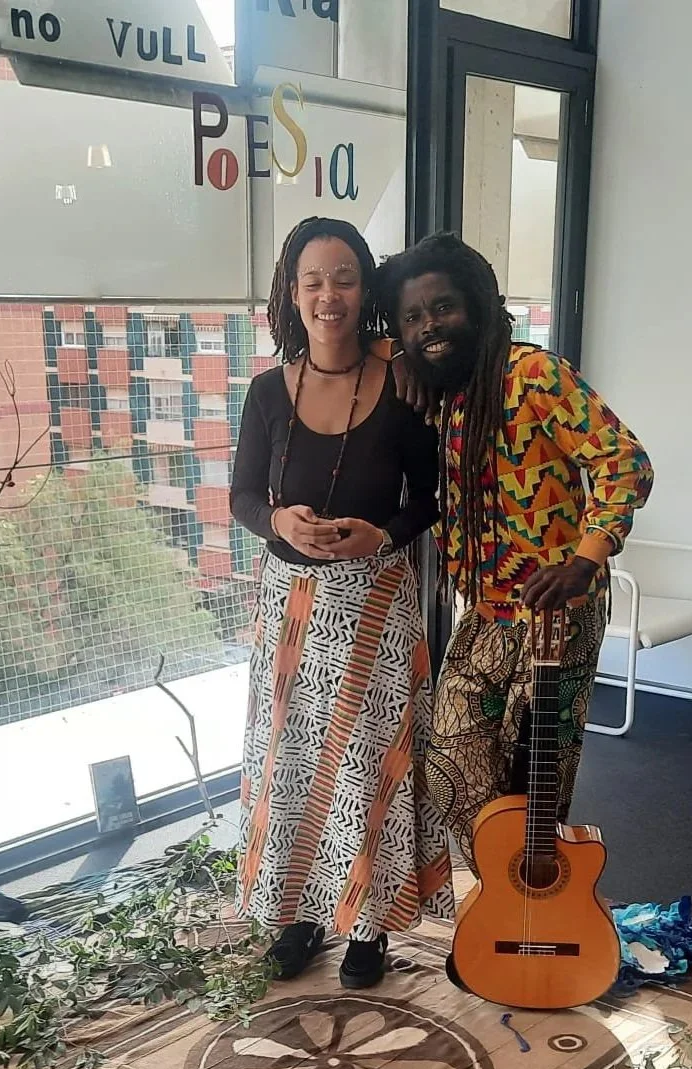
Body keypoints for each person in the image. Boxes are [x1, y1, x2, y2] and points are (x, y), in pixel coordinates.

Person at [379, 233, 654, 867]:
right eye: (413, 318)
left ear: (476, 304)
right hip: (486, 613)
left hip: (558, 613)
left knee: (536, 783)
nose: (429, 327)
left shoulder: (534, 375)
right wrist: (395, 352)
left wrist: (585, 559)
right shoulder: (440, 390)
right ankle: (504, 899)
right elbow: (373, 342)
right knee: (451, 764)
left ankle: (528, 915)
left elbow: (623, 461)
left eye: (442, 308)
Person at [232, 216, 454, 988]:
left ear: (367, 289)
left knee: (368, 766)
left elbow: (429, 501)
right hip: (291, 607)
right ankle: (297, 916)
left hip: (376, 602)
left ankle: (370, 926)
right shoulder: (266, 391)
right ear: (292, 294)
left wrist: (381, 537)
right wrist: (277, 520)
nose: (330, 296)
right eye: (313, 281)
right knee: (293, 764)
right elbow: (240, 499)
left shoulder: (403, 383)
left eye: (345, 279)